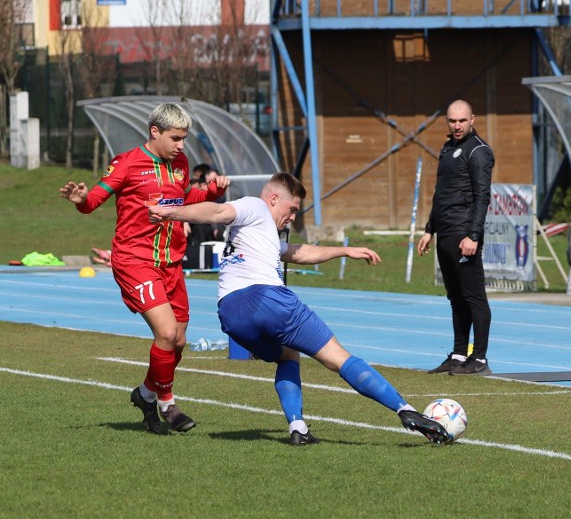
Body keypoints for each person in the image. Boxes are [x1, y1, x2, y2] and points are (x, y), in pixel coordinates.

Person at [147, 172, 451, 445]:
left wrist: (343, 250)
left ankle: (298, 427)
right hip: (268, 300)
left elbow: (298, 252)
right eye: (291, 208)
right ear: (274, 198)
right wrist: (170, 212)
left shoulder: (258, 234)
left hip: (231, 315)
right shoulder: (254, 206)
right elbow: (216, 210)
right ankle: (406, 410)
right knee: (338, 357)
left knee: (288, 354)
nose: (293, 216)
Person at [59, 103, 230, 435]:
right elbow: (93, 201)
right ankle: (167, 403)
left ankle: (146, 394)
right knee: (166, 333)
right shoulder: (127, 163)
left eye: (184, 138)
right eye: (176, 138)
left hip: (171, 263)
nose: (182, 146)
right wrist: (81, 199)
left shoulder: (179, 162)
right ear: (155, 131)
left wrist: (212, 192)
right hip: (135, 261)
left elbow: (186, 197)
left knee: (178, 342)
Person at [418, 99, 494, 376]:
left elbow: (482, 196)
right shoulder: (448, 148)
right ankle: (459, 354)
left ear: (472, 119)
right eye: (452, 121)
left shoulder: (479, 151)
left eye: (462, 120)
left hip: (465, 235)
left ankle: (480, 359)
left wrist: (473, 235)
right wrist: (430, 229)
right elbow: (442, 194)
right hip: (446, 233)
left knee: (474, 297)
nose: (457, 125)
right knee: (456, 298)